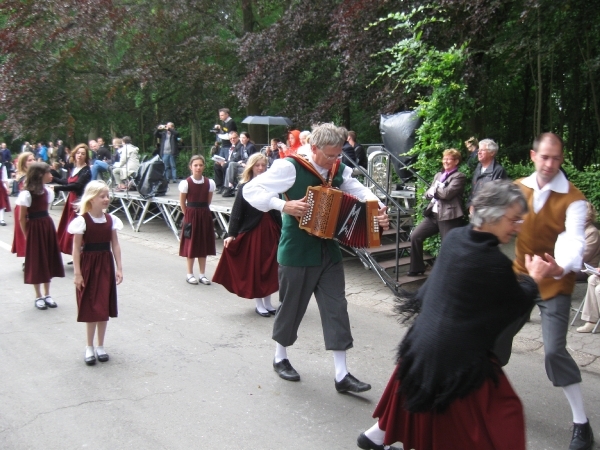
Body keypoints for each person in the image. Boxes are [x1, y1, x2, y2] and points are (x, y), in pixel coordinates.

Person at [356, 181, 552, 450]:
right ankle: (377, 436)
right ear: (493, 216)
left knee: (416, 395)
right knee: (501, 415)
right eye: (514, 219)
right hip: (455, 359)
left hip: (420, 344)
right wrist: (535, 280)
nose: (517, 226)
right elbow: (513, 308)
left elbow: (439, 293)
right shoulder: (495, 263)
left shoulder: (456, 238)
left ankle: (376, 436)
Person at [243, 123, 389, 392]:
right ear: (313, 148)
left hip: (328, 251)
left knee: (337, 308)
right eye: (331, 155)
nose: (335, 160)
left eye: (338, 155)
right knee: (291, 306)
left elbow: (358, 190)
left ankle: (342, 374)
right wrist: (282, 205)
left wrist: (378, 207)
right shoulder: (289, 167)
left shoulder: (336, 168)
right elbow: (250, 191)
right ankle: (280, 357)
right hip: (296, 250)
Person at [506, 132, 593, 450]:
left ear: (562, 159)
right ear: (533, 156)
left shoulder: (574, 199)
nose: (550, 163)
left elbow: (575, 243)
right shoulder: (517, 188)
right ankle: (476, 398)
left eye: (556, 158)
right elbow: (499, 225)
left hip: (555, 282)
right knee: (492, 338)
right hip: (519, 277)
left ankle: (581, 424)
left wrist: (557, 267)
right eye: (544, 157)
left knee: (555, 350)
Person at [213, 153, 282, 316]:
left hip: (270, 231)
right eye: (257, 165)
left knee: (271, 267)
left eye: (263, 165)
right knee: (257, 267)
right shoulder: (245, 186)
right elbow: (237, 212)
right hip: (254, 231)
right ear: (251, 167)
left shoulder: (271, 186)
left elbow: (277, 210)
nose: (260, 168)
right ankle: (259, 303)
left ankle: (268, 302)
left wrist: (282, 229)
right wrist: (231, 234)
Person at [68, 180, 123, 365]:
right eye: (102, 196)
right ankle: (89, 346)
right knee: (91, 305)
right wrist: (77, 273)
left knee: (103, 305)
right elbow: (76, 249)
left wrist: (119, 267)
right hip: (89, 265)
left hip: (105, 264)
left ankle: (101, 345)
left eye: (107, 195)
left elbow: (115, 244)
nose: (106, 199)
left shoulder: (111, 220)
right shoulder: (81, 221)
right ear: (92, 199)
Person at [408, 148, 466, 276]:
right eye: (444, 158)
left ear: (456, 161)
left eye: (448, 159)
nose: (445, 161)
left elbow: (447, 194)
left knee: (448, 245)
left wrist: (434, 190)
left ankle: (448, 274)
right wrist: (432, 191)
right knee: (415, 236)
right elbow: (428, 194)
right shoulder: (438, 176)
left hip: (449, 216)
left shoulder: (459, 176)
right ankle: (417, 268)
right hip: (433, 214)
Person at [16, 162, 65, 310]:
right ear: (39, 175)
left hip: (46, 226)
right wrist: (27, 235)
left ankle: (47, 293)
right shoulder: (26, 194)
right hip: (35, 228)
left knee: (48, 259)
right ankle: (38, 295)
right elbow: (21, 218)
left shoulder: (48, 191)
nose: (51, 176)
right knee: (37, 262)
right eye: (48, 173)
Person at [179, 155, 216, 286]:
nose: (198, 167)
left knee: (203, 244)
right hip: (191, 215)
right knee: (191, 245)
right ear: (191, 167)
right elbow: (183, 203)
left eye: (200, 165)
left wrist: (202, 212)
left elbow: (208, 200)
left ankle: (202, 274)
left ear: (204, 167)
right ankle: (189, 274)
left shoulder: (209, 183)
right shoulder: (186, 183)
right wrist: (189, 215)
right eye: (195, 165)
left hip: (204, 215)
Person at [54, 144, 92, 256]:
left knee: (77, 229)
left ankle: (80, 254)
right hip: (71, 200)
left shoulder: (86, 171)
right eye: (78, 153)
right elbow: (68, 182)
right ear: (74, 154)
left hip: (79, 202)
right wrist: (54, 179)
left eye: (83, 154)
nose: (80, 155)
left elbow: (77, 186)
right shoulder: (75, 168)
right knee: (69, 227)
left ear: (86, 157)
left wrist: (57, 188)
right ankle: (75, 254)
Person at [11, 152, 35, 258]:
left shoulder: (32, 174)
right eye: (30, 160)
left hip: (31, 206)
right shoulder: (24, 176)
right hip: (24, 207)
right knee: (26, 233)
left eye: (33, 159)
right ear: (23, 163)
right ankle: (28, 260)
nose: (33, 161)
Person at [469, 138, 508, 203]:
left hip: (489, 210)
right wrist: (471, 204)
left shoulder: (498, 171)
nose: (479, 152)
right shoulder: (478, 168)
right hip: (475, 210)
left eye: (482, 150)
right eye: (479, 150)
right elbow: (473, 190)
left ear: (492, 153)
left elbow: (498, 195)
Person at [221, 131, 258, 197]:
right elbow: (242, 157)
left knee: (231, 164)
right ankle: (229, 187)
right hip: (243, 166)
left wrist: (243, 162)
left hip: (249, 167)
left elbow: (252, 158)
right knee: (229, 168)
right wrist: (241, 162)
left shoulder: (251, 147)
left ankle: (230, 187)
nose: (241, 139)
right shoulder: (242, 147)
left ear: (248, 139)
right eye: (241, 138)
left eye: (243, 138)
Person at [0, 160, 10, 226]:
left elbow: (5, 178)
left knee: (1, 202)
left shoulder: (2, 166)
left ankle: (1, 219)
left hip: (0, 186)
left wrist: (7, 188)